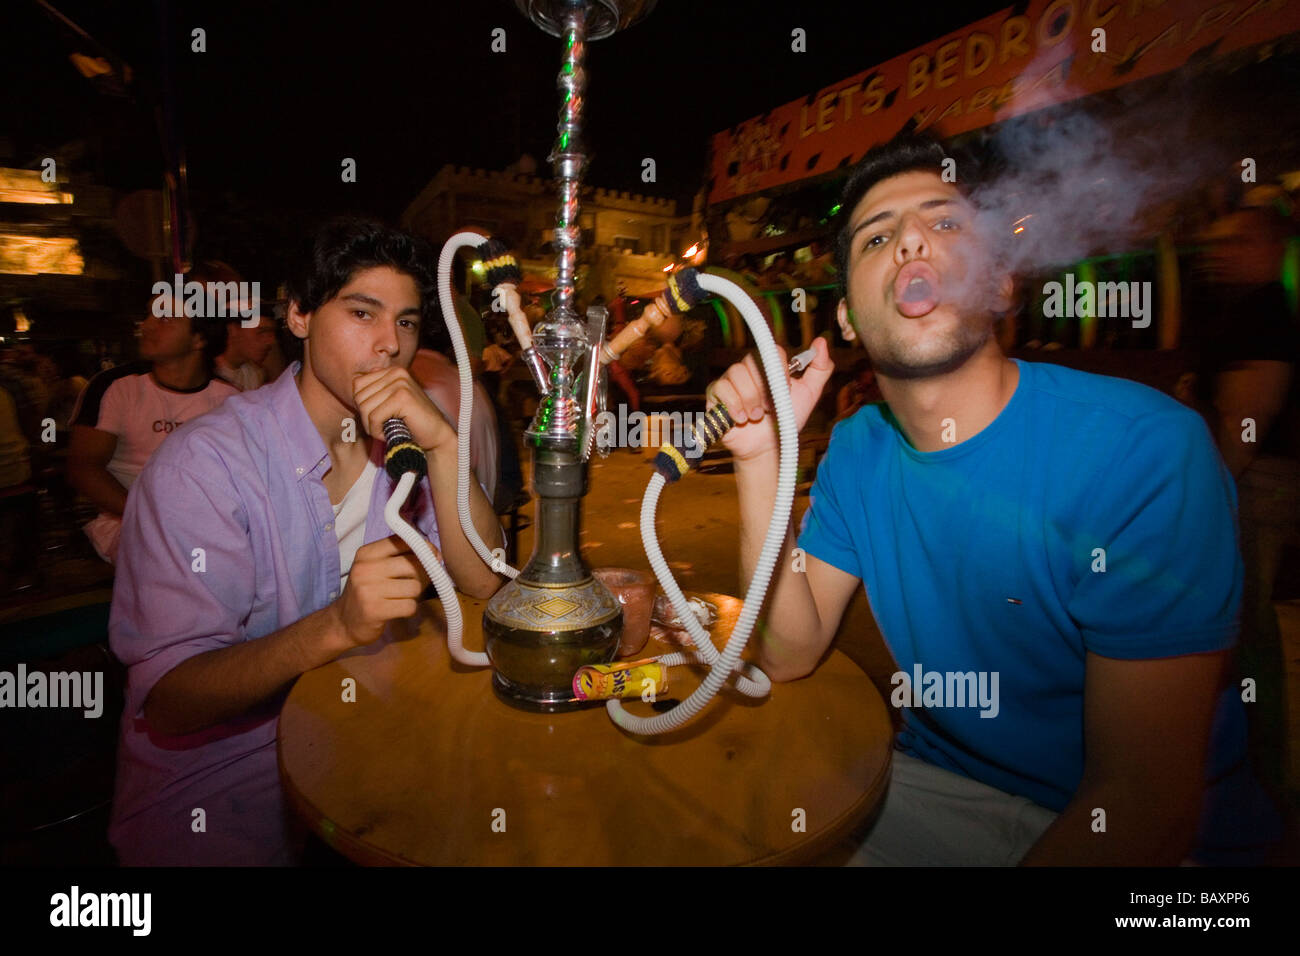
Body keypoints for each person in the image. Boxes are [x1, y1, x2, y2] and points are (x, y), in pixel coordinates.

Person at [709, 135, 1282, 865]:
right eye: (877, 237)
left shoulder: (1142, 450)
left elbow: (1142, 804)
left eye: (944, 223)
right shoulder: (858, 446)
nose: (911, 240)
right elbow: (788, 653)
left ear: (1001, 285)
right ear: (848, 316)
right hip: (934, 787)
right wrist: (763, 456)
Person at [107, 219, 505, 866]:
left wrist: (446, 447)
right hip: (219, 781)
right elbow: (172, 702)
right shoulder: (203, 467)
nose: (389, 346)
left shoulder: (402, 445)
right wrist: (336, 627)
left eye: (406, 322)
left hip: (361, 739)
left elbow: (488, 583)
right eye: (361, 313)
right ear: (297, 314)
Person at [1180, 204, 1300, 795]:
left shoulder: (1265, 313)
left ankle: (1260, 772)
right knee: (1237, 623)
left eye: (1236, 243)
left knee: (1244, 624)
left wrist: (1215, 488)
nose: (1220, 255)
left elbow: (1252, 414)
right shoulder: (1249, 310)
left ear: (1269, 248)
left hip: (1249, 486)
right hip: (1245, 479)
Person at [67, 265, 240, 563]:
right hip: (125, 524)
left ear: (199, 338)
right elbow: (83, 467)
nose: (146, 326)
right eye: (148, 316)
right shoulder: (116, 388)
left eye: (164, 318)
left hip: (202, 528)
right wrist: (147, 513)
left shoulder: (229, 400)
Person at [215, 303, 277, 392]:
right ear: (233, 330)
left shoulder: (254, 375)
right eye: (261, 332)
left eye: (271, 333)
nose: (270, 341)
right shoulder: (208, 376)